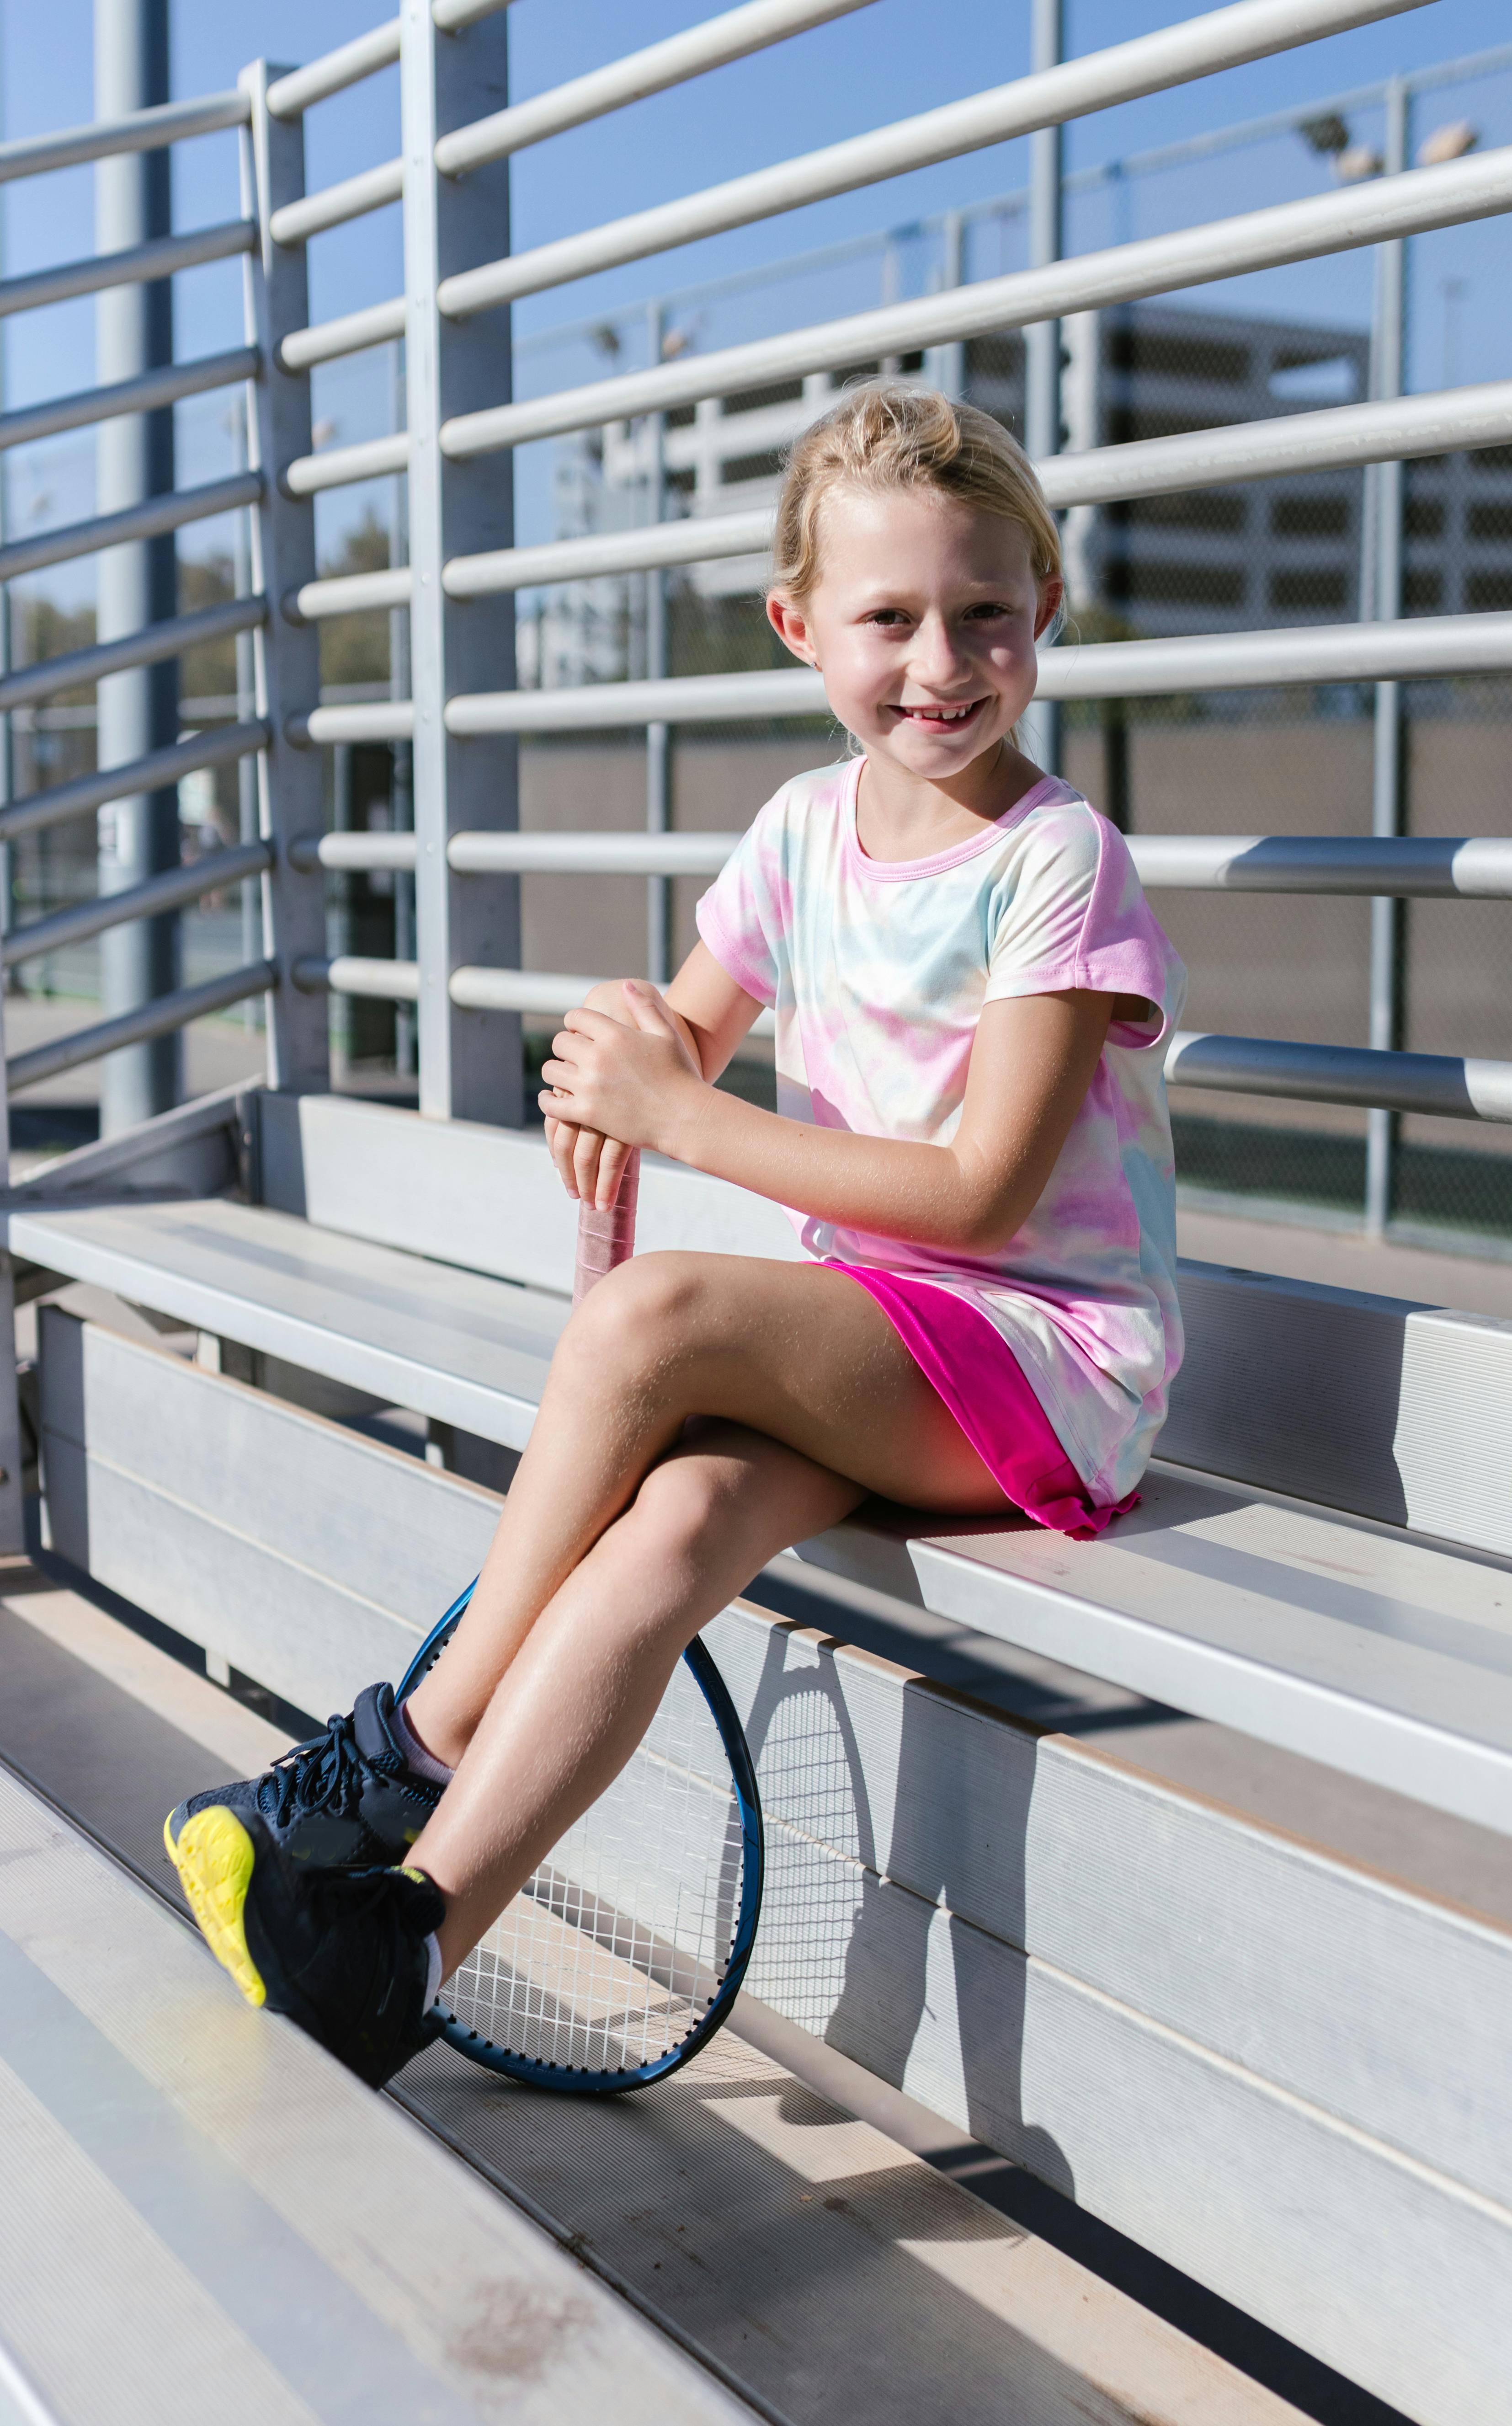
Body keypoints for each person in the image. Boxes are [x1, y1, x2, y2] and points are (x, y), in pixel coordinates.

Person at [166, 381, 1186, 2087]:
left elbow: (979, 1197)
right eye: (887, 618)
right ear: (798, 626)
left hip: (1042, 1360)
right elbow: (669, 1044)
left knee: (647, 1321)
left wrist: (676, 1112)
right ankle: (403, 1941)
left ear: (1044, 613)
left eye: (984, 615)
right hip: (873, 1347)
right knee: (673, 1528)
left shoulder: (1057, 861)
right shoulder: (801, 832)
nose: (939, 661)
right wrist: (604, 1063)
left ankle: (394, 1749)